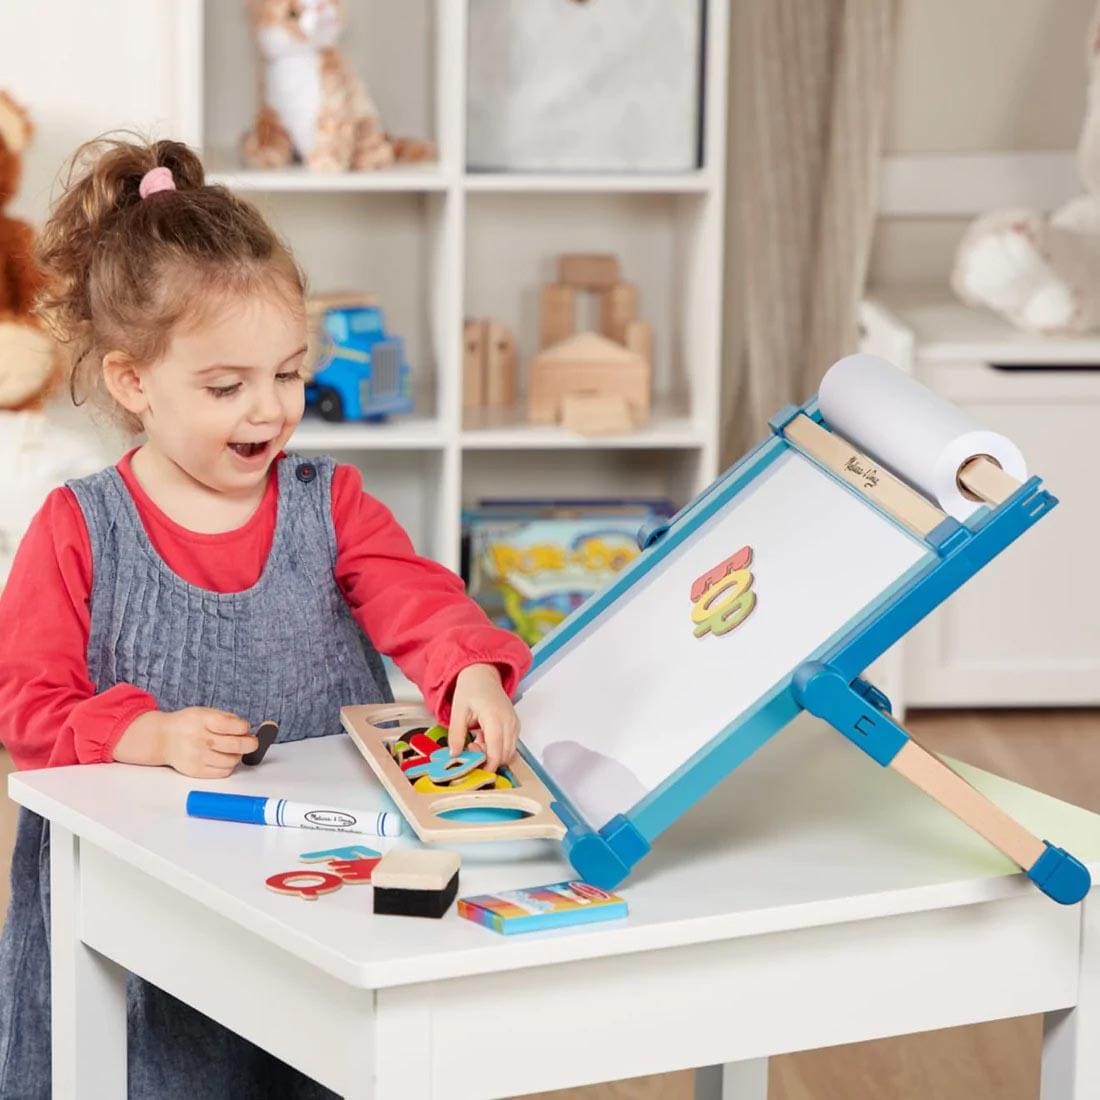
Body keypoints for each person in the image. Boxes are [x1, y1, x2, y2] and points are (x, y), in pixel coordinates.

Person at [0, 136, 531, 1098]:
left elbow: (418, 596)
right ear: (132, 383)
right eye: (225, 386)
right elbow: (26, 705)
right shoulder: (78, 528)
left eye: (288, 374)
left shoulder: (331, 502)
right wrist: (145, 733)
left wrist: (470, 668)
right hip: (147, 905)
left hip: (317, 881)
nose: (269, 410)